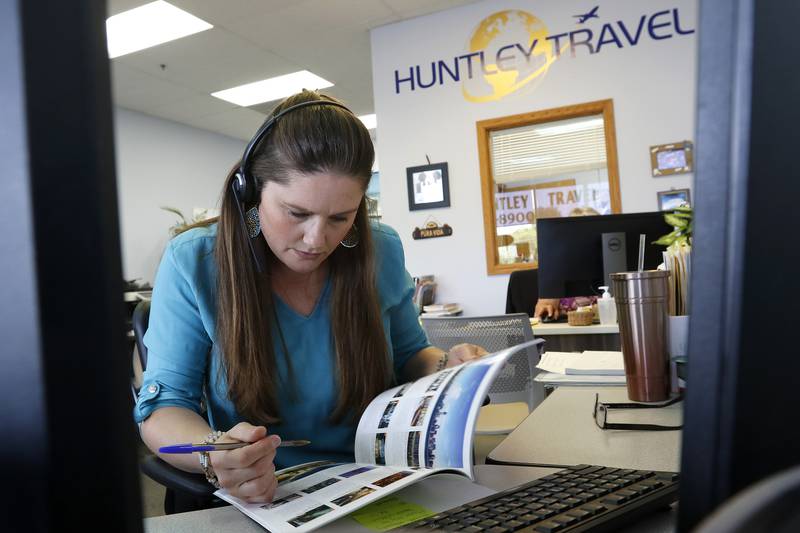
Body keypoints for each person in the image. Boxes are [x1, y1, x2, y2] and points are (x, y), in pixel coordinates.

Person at [134, 90, 486, 504]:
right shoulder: (195, 261)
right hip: (263, 496)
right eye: (297, 213)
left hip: (378, 481)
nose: (317, 240)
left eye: (341, 217)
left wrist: (447, 365)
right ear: (252, 193)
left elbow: (411, 355)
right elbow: (163, 411)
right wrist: (216, 454)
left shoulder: (381, 250)